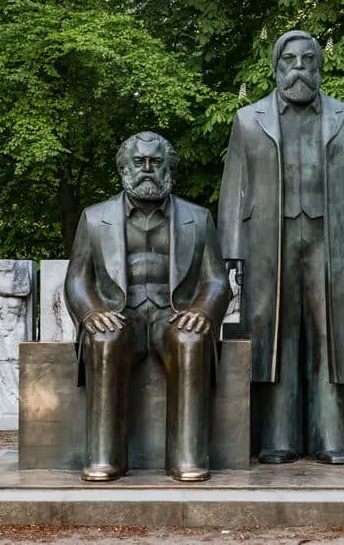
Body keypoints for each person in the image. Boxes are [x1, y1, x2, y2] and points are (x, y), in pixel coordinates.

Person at [217, 31, 344, 465]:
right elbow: (234, 186)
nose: (298, 67)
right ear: (275, 68)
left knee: (333, 336)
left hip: (334, 240)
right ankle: (279, 439)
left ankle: (333, 437)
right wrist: (230, 251)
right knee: (276, 336)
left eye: (307, 60)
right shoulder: (247, 119)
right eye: (289, 59)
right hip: (267, 241)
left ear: (319, 67)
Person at [65, 131, 231, 482]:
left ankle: (187, 457)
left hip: (174, 313)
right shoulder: (94, 219)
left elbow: (216, 280)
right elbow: (78, 280)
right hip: (119, 313)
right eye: (138, 162)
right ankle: (104, 458)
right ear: (124, 168)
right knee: (105, 339)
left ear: (169, 168)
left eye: (155, 162)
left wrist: (201, 311)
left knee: (189, 339)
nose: (147, 169)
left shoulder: (198, 218)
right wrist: (92, 311)